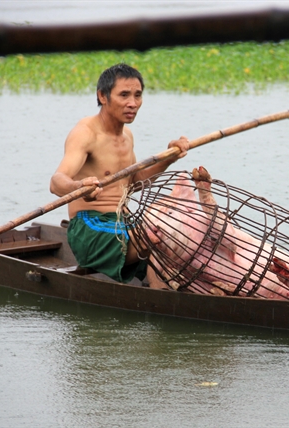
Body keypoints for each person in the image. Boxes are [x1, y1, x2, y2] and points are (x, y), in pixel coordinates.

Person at [50, 63, 189, 284]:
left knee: (177, 241)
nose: (132, 103)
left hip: (121, 223)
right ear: (102, 96)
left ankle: (160, 296)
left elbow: (135, 182)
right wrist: (79, 188)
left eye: (137, 95)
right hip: (90, 228)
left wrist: (168, 158)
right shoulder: (85, 133)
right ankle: (158, 298)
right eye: (124, 95)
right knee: (157, 234)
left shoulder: (127, 136)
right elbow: (56, 183)